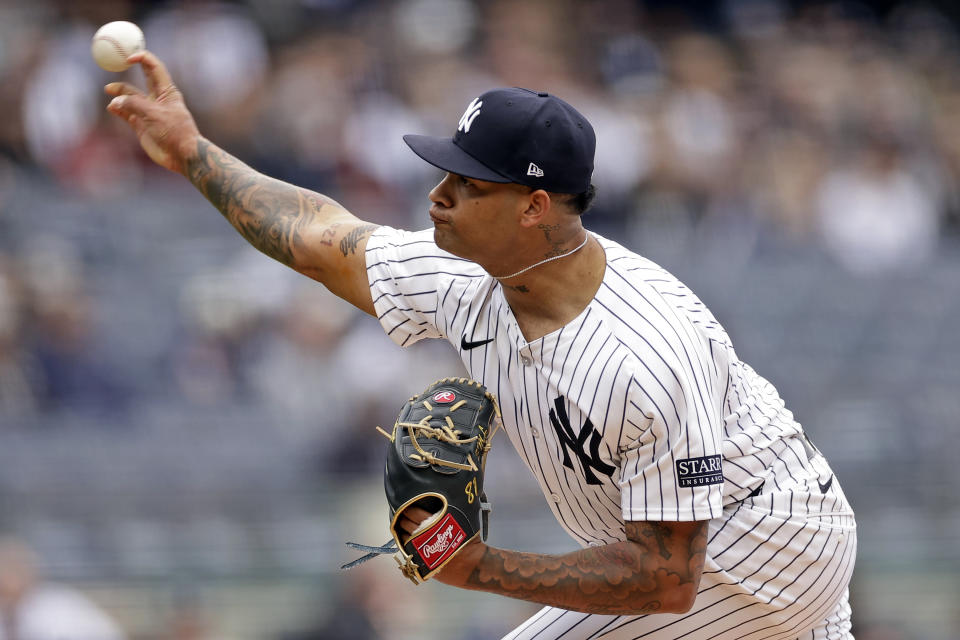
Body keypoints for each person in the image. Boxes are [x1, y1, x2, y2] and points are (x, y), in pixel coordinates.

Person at [105, 51, 857, 639]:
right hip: (719, 542)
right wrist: (192, 151)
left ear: (534, 206)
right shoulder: (468, 278)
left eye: (468, 183)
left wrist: (478, 567)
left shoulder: (645, 354)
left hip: (763, 544)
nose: (438, 194)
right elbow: (319, 240)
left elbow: (667, 580)